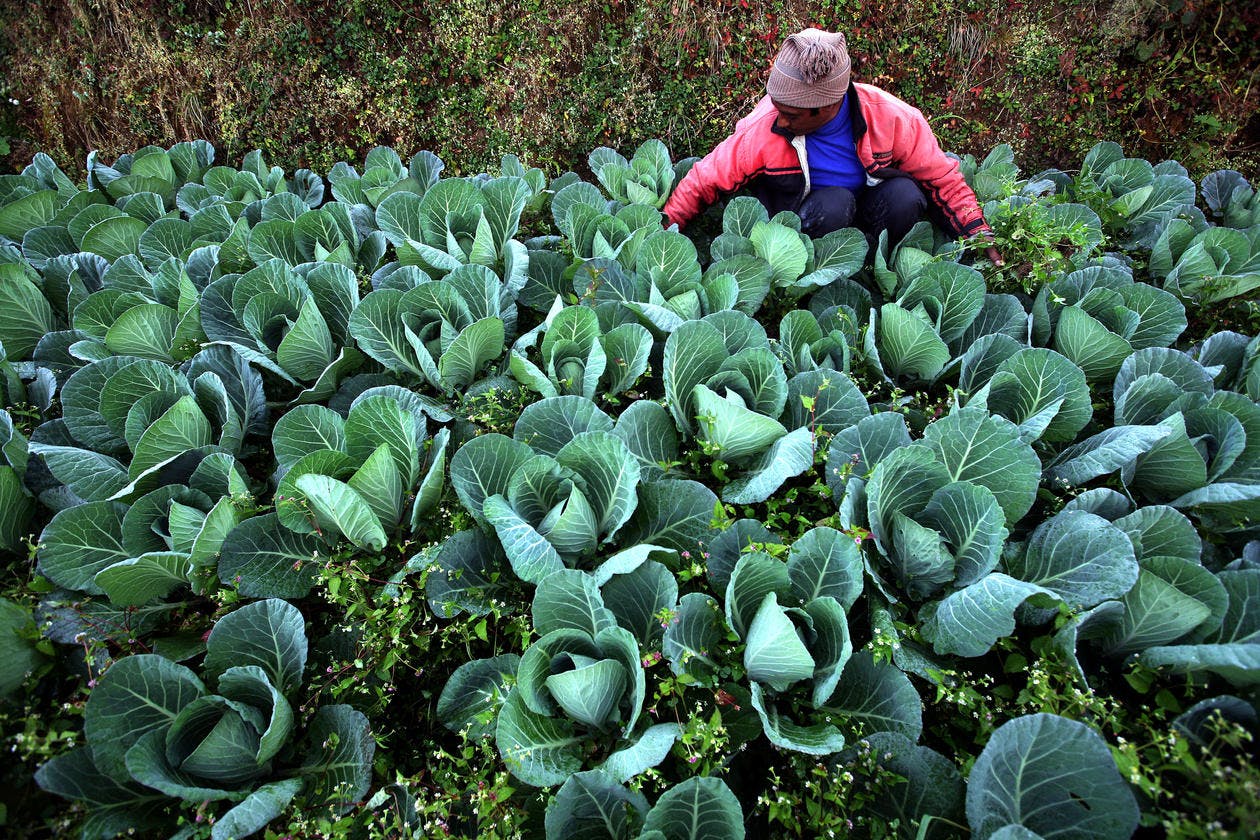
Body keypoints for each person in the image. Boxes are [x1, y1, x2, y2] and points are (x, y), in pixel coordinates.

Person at [663, 28, 1003, 265]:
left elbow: (942, 180)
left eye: (791, 115)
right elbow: (705, 179)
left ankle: (873, 265)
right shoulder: (764, 126)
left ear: (827, 107)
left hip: (868, 213)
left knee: (906, 196)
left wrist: (978, 233)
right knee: (834, 203)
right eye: (776, 106)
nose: (779, 121)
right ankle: (819, 270)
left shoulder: (893, 119)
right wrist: (664, 227)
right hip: (804, 223)